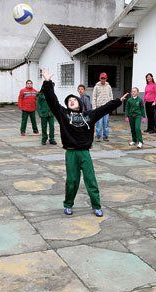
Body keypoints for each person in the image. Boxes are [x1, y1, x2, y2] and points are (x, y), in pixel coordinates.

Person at [41, 69, 128, 217]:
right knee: (72, 181)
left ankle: (96, 206)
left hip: (85, 152)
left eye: (73, 99)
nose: (71, 101)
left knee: (90, 180)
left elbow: (104, 109)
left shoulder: (89, 115)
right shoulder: (63, 114)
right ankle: (68, 204)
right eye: (69, 101)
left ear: (79, 102)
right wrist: (48, 82)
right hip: (71, 152)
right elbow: (52, 101)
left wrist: (118, 101)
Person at [91, 72, 113, 142]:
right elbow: (94, 97)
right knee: (99, 123)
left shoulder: (108, 87)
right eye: (102, 78)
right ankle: (98, 136)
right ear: (99, 78)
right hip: (99, 108)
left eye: (104, 78)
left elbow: (111, 96)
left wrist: (111, 106)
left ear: (106, 78)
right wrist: (94, 108)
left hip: (106, 108)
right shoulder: (96, 87)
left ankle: (105, 136)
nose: (103, 79)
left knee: (106, 123)